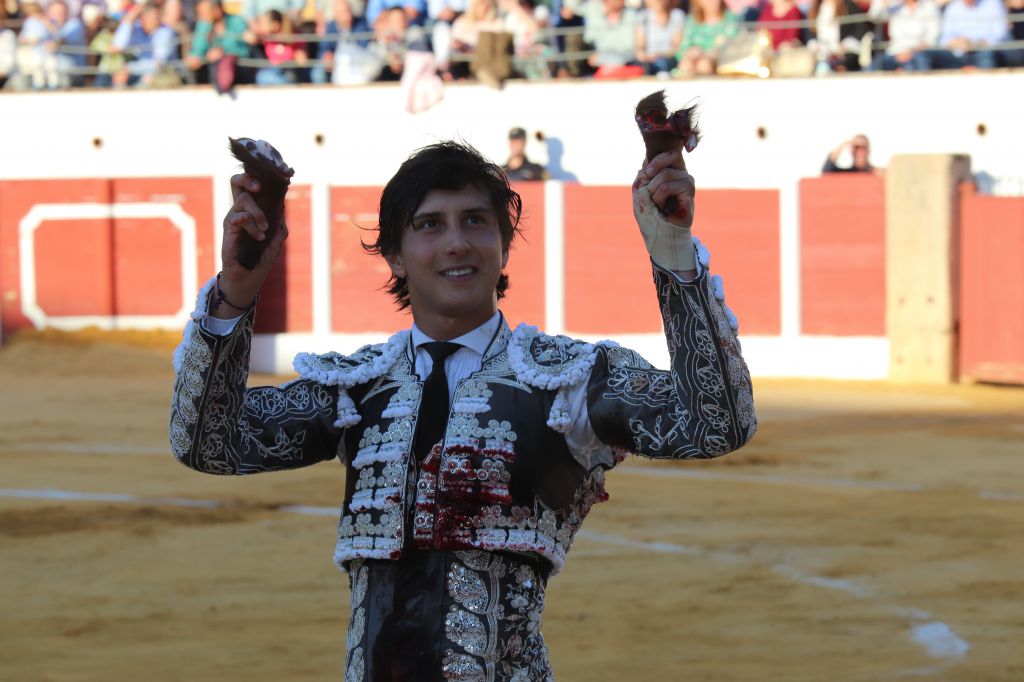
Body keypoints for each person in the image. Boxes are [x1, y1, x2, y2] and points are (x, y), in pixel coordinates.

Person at [169, 139, 756, 680]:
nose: (456, 242)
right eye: (430, 225)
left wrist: (674, 254)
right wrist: (238, 291)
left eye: (475, 221)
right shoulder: (358, 388)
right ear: (395, 257)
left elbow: (715, 422)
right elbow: (208, 443)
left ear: (503, 247)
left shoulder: (565, 381)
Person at [916, 0, 1008, 69]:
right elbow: (944, 38)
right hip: (956, 53)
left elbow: (1000, 35)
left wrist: (974, 43)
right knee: (923, 55)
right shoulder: (953, 6)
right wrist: (954, 42)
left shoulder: (993, 4)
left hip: (982, 51)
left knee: (987, 57)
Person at [867, 0, 940, 71]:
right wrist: (883, 3)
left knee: (915, 63)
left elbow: (931, 39)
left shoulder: (929, 7)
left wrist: (911, 52)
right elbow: (875, 17)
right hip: (894, 53)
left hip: (918, 53)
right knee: (872, 66)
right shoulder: (894, 6)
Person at [674, 0, 739, 76]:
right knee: (686, 64)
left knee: (704, 65)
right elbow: (682, 50)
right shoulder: (692, 20)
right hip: (692, 62)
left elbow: (731, 46)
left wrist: (705, 54)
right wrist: (691, 52)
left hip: (720, 62)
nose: (711, 2)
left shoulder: (730, 19)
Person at [634, 0, 685, 75]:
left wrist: (658, 55)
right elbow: (639, 47)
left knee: (661, 64)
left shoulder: (676, 15)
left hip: (668, 59)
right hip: (648, 61)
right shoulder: (643, 16)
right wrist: (644, 56)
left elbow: (677, 47)